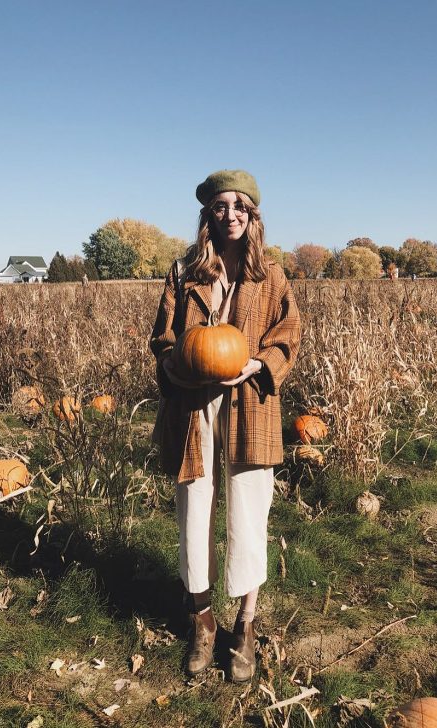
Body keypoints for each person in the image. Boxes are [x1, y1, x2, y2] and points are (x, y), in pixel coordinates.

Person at [149, 170, 301, 682]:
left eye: (240, 206)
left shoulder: (271, 274)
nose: (231, 215)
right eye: (220, 206)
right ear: (207, 215)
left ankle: (246, 625)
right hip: (194, 405)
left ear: (252, 215)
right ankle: (203, 622)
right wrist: (172, 365)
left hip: (250, 401)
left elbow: (289, 332)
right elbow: (165, 340)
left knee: (248, 510)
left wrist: (260, 364)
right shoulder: (184, 271)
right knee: (194, 508)